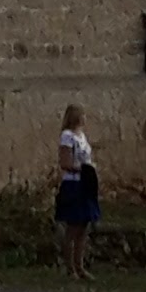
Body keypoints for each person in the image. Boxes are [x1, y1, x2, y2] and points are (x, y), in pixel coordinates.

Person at [53, 105, 101, 280]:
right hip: (73, 183)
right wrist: (81, 169)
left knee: (84, 227)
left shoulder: (82, 136)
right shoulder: (67, 137)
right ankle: (69, 267)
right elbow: (64, 162)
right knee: (73, 228)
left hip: (85, 184)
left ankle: (80, 266)